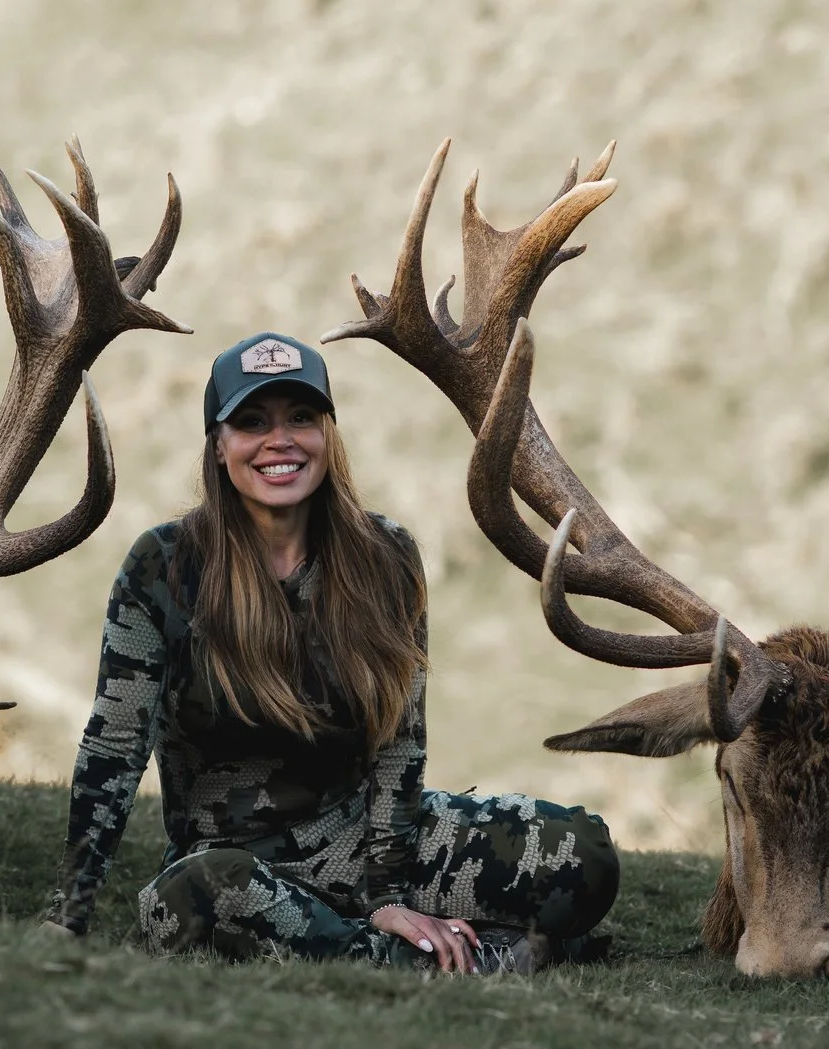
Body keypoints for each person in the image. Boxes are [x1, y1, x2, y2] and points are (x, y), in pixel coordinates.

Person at [48, 332, 618, 973]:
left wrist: (388, 894)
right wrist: (68, 916)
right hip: (233, 862)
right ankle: (478, 957)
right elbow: (113, 748)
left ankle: (404, 940)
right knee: (187, 902)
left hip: (362, 837)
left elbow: (400, 742)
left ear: (328, 434)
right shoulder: (162, 566)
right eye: (251, 422)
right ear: (218, 443)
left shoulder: (386, 555)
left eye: (301, 418)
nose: (279, 439)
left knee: (583, 854)